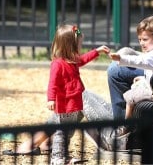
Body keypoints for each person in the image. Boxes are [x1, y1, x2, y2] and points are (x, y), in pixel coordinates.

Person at [46, 24, 110, 164]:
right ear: (70, 46)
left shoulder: (72, 60)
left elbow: (83, 59)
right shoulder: (58, 64)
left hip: (75, 103)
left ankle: (64, 156)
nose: (80, 48)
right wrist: (51, 99)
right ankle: (57, 158)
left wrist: (97, 51)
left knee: (68, 132)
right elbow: (53, 83)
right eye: (79, 44)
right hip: (64, 105)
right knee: (61, 133)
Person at [109, 16, 153, 124]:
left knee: (130, 97)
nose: (142, 43)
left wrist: (121, 58)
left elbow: (141, 61)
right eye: (140, 39)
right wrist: (144, 78)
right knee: (137, 85)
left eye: (145, 40)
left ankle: (125, 127)